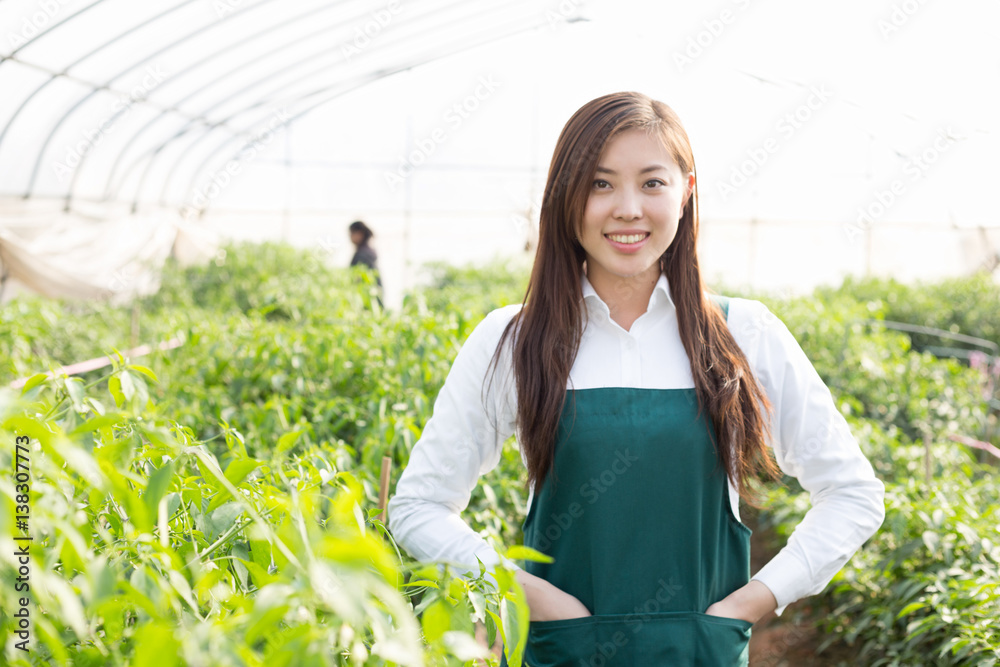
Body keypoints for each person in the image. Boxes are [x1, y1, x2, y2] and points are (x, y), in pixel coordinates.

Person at [387, 91, 886, 666]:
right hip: (563, 650)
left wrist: (751, 603)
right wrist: (530, 595)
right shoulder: (513, 341)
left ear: (686, 193)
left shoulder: (743, 333)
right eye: (600, 184)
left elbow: (852, 493)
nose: (628, 208)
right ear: (565, 198)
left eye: (652, 183)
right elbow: (418, 506)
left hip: (699, 651)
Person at [347, 219, 383, 308]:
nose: (350, 237)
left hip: (367, 297)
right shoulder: (367, 250)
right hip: (371, 295)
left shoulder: (363, 253)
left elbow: (359, 278)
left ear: (360, 234)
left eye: (352, 233)